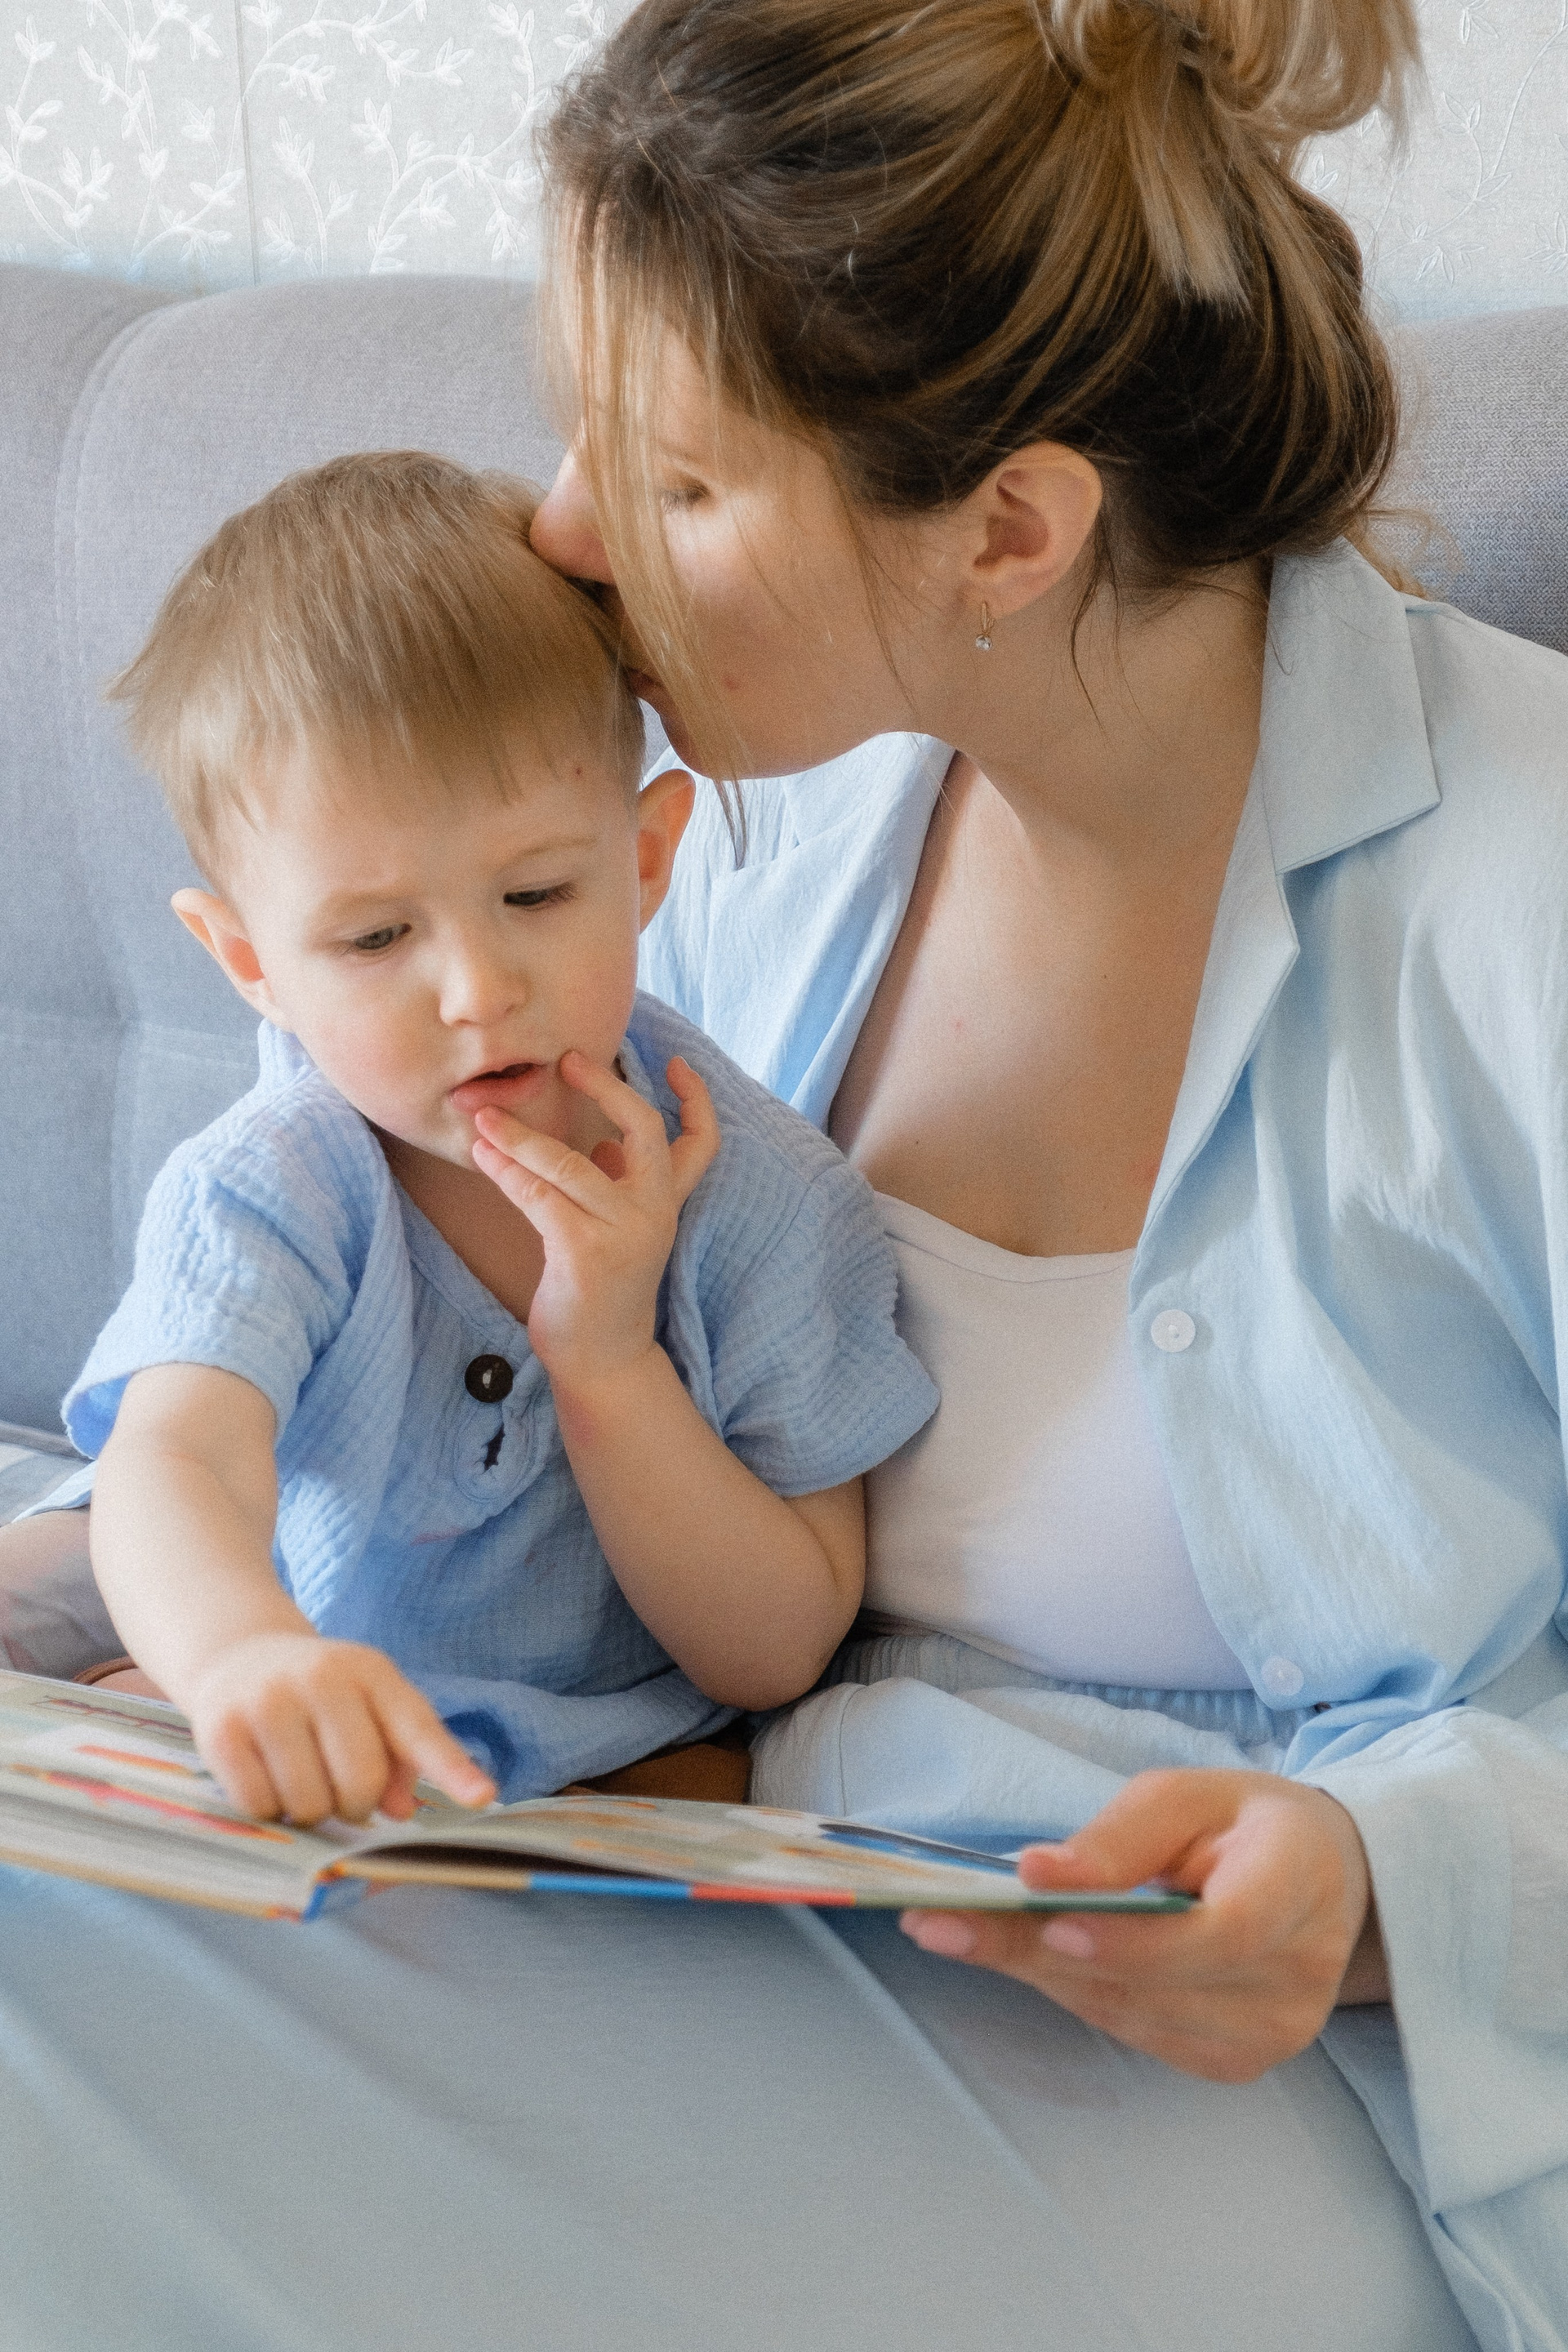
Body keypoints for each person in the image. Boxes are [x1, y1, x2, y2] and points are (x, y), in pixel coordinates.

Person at [523, 0, 1568, 2341]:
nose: (564, 535)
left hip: (1289, 2079)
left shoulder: (1529, 895)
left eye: (674, 483)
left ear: (1010, 527)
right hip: (760, 1912)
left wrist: (1384, 1887)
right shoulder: (736, 842)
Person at [16, 450, 934, 1825]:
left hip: (623, 1756)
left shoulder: (761, 1194)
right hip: (337, 1702)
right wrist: (240, 1655)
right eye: (377, 937)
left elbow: (777, 1650)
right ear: (253, 963)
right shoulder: (274, 1186)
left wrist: (607, 1362)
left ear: (645, 859)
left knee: (717, 1782)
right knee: (137, 1712)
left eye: (537, 894)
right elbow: (180, 1457)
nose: (476, 990)